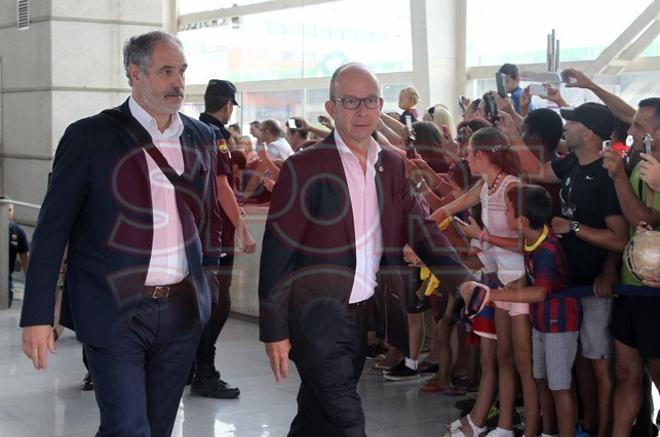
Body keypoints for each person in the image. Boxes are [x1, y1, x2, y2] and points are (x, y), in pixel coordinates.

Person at [19, 31, 222, 436]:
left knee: (159, 426)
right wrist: (39, 315)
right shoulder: (90, 136)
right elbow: (53, 229)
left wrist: (208, 284)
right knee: (129, 426)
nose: (178, 82)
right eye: (166, 72)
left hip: (182, 310)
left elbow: (205, 217)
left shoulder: (200, 137)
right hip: (113, 309)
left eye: (181, 71)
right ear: (135, 73)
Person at [258, 62, 473, 436]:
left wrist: (464, 282)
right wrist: (274, 329)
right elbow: (278, 252)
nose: (362, 111)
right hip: (315, 319)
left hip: (363, 316)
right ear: (331, 108)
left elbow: (421, 228)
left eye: (370, 101)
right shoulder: (305, 167)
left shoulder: (390, 165)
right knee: (346, 421)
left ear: (380, 105)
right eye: (351, 101)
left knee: (315, 415)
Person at [511, 102, 628, 437]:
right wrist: (508, 132)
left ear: (589, 132)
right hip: (569, 282)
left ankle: (601, 429)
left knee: (599, 362)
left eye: (572, 122)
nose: (567, 127)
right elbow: (536, 171)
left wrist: (573, 228)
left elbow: (620, 238)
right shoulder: (573, 163)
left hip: (594, 284)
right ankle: (583, 425)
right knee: (575, 363)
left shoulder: (607, 176)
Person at [464, 184, 580, 437]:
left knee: (560, 386)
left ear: (522, 220)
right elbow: (531, 280)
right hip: (542, 321)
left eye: (507, 210)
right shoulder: (532, 239)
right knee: (541, 379)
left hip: (559, 323)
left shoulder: (547, 248)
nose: (504, 214)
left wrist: (493, 294)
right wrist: (514, 285)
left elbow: (539, 292)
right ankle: (546, 431)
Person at [194, 79, 257, 399]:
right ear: (228, 105)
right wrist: (243, 228)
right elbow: (222, 187)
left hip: (196, 232)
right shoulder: (216, 135)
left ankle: (193, 366)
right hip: (217, 233)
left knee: (202, 301)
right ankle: (204, 370)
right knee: (219, 302)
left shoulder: (189, 130)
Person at [601, 97, 660, 435]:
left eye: (640, 125)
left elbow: (643, 219)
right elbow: (626, 229)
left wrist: (619, 178)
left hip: (652, 288)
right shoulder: (638, 158)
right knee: (627, 372)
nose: (631, 129)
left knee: (655, 367)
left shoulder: (652, 170)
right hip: (629, 284)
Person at [5, 201, 29, 308]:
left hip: (5, 280)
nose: (6, 213)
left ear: (13, 211)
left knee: (5, 305)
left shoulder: (18, 232)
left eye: (9, 210)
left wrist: (30, 282)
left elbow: (25, 260)